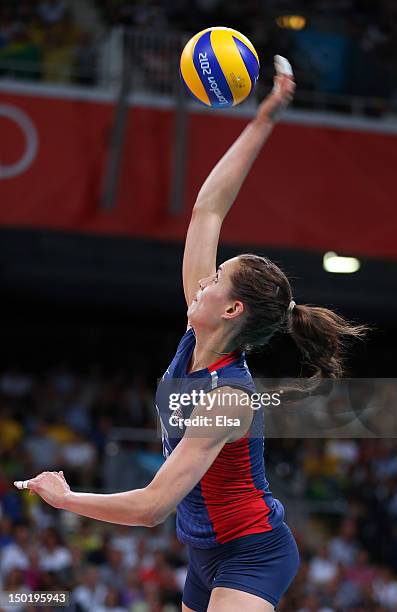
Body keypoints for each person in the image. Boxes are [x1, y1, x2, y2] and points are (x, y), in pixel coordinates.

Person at [14, 57, 365, 611]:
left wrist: (66, 497)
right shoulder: (195, 337)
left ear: (232, 310)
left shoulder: (229, 400)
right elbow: (208, 210)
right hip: (203, 555)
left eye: (218, 279)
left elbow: (153, 505)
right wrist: (265, 118)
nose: (204, 281)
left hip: (253, 553)